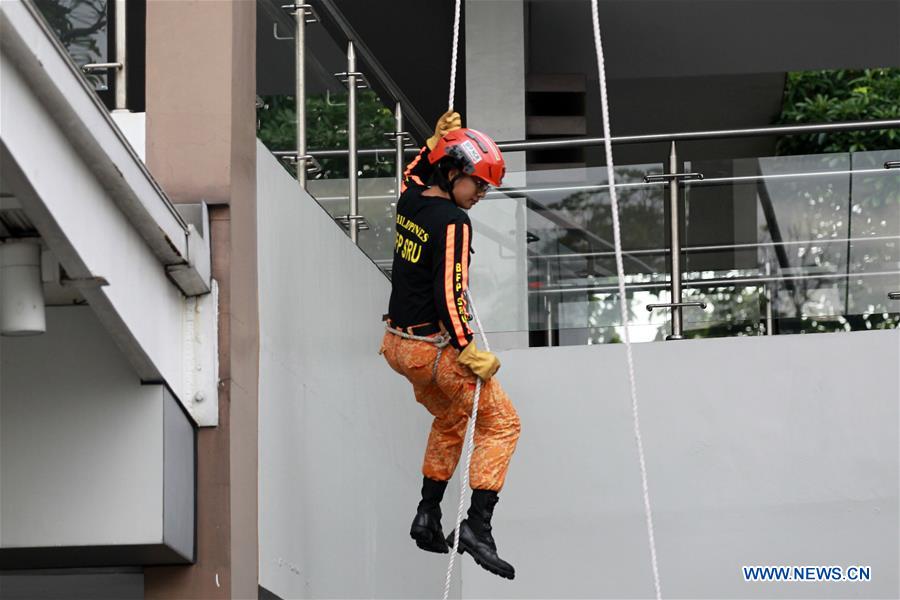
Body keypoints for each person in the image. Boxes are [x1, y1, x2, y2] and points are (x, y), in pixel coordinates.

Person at [380, 111, 521, 580]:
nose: (481, 195)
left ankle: (427, 514)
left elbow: (412, 172)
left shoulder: (411, 201)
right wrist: (467, 348)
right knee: (502, 424)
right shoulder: (455, 223)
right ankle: (478, 526)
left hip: (397, 347)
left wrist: (431, 144)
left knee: (452, 417)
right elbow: (449, 290)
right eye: (477, 184)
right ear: (454, 172)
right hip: (432, 350)